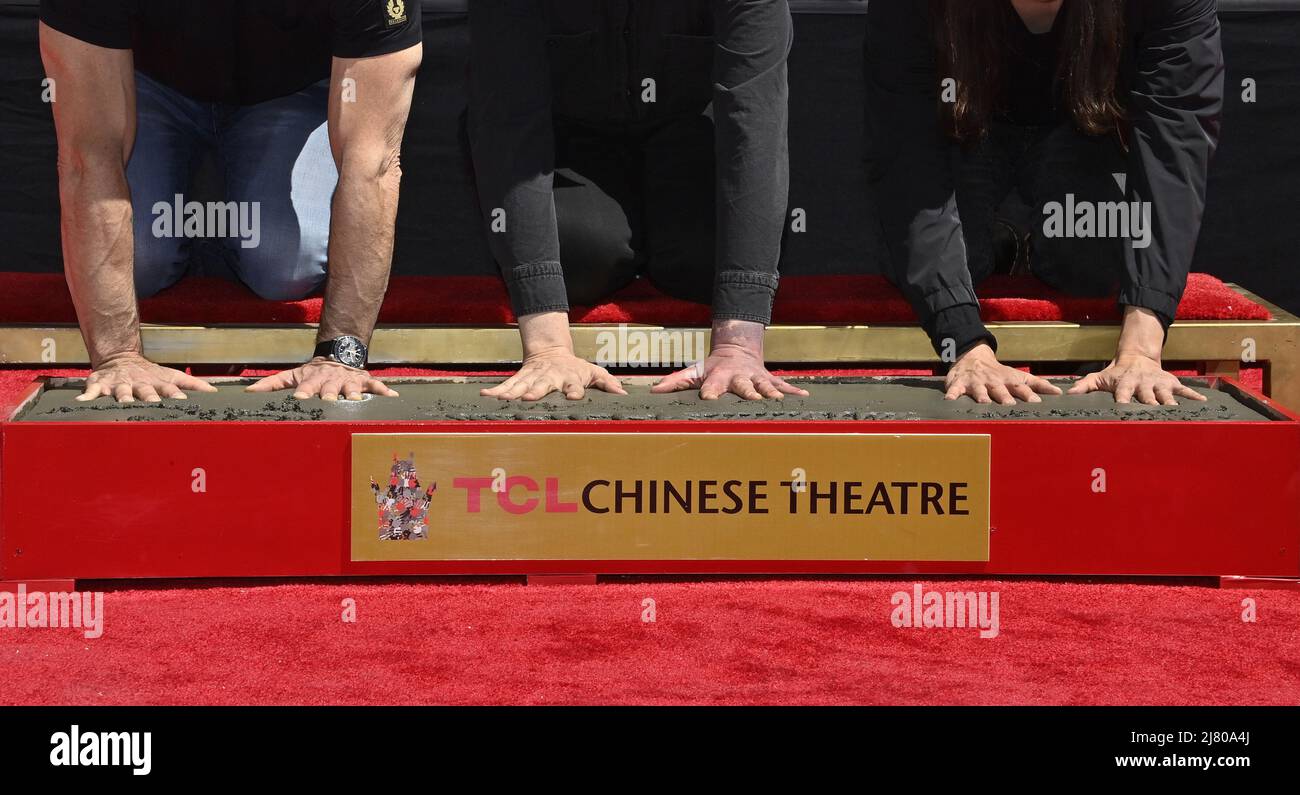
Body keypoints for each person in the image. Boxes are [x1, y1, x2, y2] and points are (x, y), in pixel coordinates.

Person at [38, 0, 423, 402]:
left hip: (295, 86)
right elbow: (88, 157)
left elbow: (372, 163)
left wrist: (341, 357)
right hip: (143, 80)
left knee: (283, 264)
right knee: (142, 262)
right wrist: (116, 357)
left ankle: (217, 226)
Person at [864, 0, 1224, 406]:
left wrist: (1142, 347)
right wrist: (964, 345)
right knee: (939, 261)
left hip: (1089, 122)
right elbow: (908, 160)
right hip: (962, 122)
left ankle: (1035, 245)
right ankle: (999, 245)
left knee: (1094, 264)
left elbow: (1174, 140)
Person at [467, 0, 808, 401]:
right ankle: (630, 242)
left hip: (690, 133)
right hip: (568, 141)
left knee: (705, 261)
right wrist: (548, 348)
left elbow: (753, 122)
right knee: (582, 256)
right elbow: (509, 116)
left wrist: (739, 346)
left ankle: (655, 240)